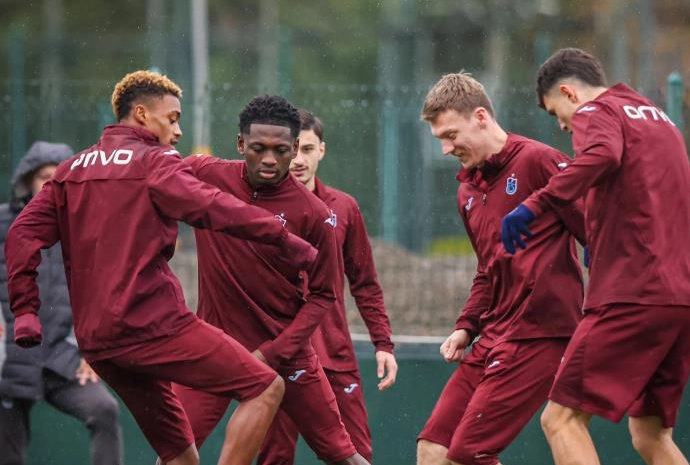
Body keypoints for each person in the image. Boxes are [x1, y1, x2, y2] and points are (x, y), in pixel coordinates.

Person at [4, 70, 320, 465]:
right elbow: (211, 206)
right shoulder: (155, 160)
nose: (178, 130)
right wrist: (281, 236)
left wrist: (26, 311)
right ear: (141, 114)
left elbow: (21, 234)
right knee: (265, 387)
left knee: (179, 455)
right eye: (172, 118)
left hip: (98, 342)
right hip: (152, 326)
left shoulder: (71, 170)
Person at [501, 47, 690, 465]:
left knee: (560, 420)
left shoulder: (596, 112)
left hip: (634, 296)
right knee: (651, 435)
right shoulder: (658, 119)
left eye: (556, 112)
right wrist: (600, 240)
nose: (563, 125)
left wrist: (536, 203)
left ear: (569, 92)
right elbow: (670, 196)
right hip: (688, 300)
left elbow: (602, 155)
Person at [173, 95, 372, 465]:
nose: (269, 159)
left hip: (285, 354)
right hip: (214, 346)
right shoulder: (205, 173)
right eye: (258, 148)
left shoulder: (315, 215)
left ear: (294, 149)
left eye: (280, 150)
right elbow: (153, 182)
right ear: (240, 144)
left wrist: (273, 352)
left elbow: (324, 295)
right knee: (175, 449)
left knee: (342, 454)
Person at [416, 72, 586, 465]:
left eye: (451, 135)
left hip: (541, 334)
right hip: (493, 335)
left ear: (480, 117)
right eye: (439, 138)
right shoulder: (467, 191)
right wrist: (466, 326)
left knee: (468, 454)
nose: (445, 149)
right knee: (433, 450)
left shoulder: (539, 161)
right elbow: (487, 270)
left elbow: (596, 232)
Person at [256, 109, 398, 464]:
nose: (299, 160)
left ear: (322, 149)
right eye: (293, 150)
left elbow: (365, 282)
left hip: (334, 354)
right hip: (281, 355)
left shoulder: (344, 208)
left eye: (307, 149)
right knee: (274, 457)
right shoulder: (258, 206)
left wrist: (383, 343)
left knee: (357, 454)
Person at [0, 141, 124, 465]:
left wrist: (91, 353)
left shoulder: (86, 229)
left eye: (59, 177)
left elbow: (102, 296)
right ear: (28, 180)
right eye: (44, 176)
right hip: (9, 361)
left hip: (61, 358)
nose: (51, 184)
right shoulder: (4, 222)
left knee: (104, 409)